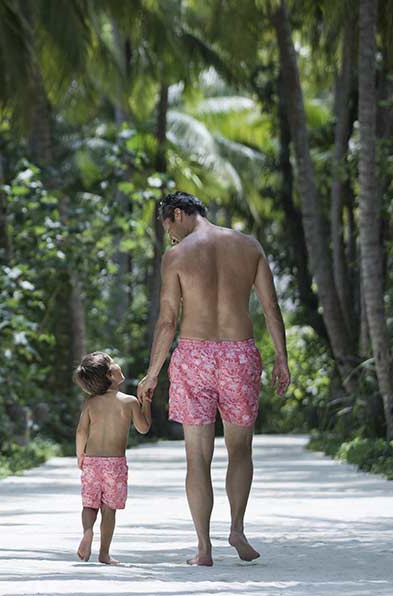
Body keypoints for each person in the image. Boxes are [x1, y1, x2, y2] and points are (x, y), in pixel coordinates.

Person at [135, 190, 290, 567]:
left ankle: (203, 548)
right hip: (239, 354)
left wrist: (152, 373)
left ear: (177, 215)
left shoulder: (176, 256)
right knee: (240, 450)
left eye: (167, 227)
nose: (169, 237)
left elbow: (168, 320)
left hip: (193, 355)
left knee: (197, 457)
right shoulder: (247, 246)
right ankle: (236, 529)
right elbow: (271, 308)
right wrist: (281, 360)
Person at [74, 352, 152, 565]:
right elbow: (143, 428)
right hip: (115, 465)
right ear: (110, 375)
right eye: (113, 363)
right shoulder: (129, 402)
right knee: (109, 510)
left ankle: (87, 531)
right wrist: (146, 403)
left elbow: (81, 431)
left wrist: (81, 455)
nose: (118, 364)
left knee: (89, 505)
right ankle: (104, 554)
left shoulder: (91, 402)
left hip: (91, 461)